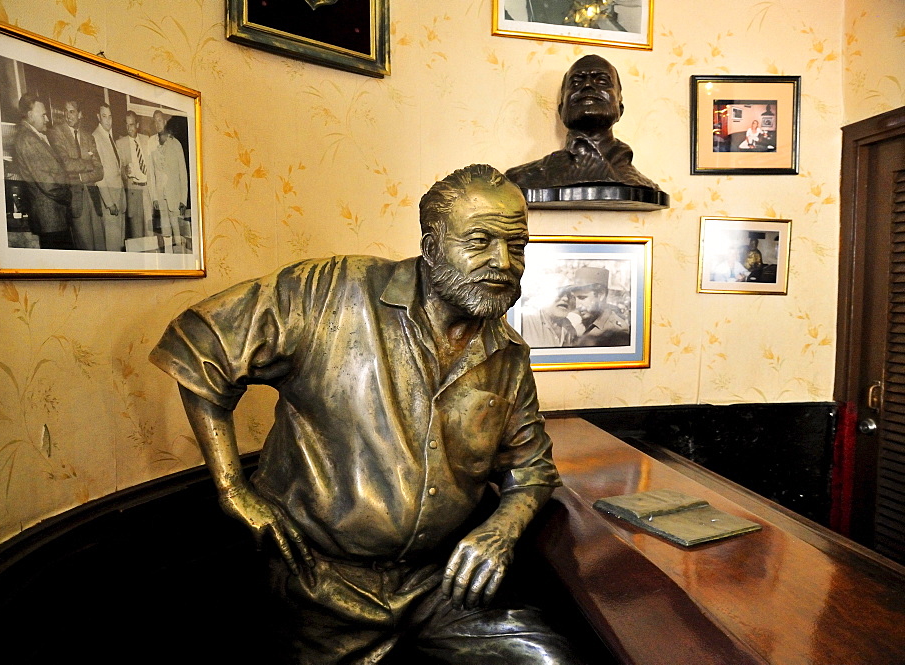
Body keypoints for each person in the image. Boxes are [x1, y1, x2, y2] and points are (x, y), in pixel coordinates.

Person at [150, 164, 577, 664]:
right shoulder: (330, 290)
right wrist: (230, 489)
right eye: (479, 241)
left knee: (553, 659)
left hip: (440, 584)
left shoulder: (507, 355)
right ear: (432, 244)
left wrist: (501, 530)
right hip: (319, 584)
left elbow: (532, 471)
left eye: (518, 246)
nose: (503, 262)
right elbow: (198, 345)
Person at [506, 55, 659, 192]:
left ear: (620, 108)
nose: (587, 86)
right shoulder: (523, 178)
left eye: (602, 81)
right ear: (561, 110)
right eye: (576, 82)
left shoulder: (641, 184)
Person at [11, 93, 72, 250]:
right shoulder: (28, 139)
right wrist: (68, 195)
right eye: (43, 115)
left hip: (53, 219)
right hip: (50, 220)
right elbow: (48, 183)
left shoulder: (34, 136)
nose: (47, 119)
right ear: (30, 115)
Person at [48, 99, 104, 251]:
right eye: (65, 111)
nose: (68, 115)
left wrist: (82, 177)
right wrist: (88, 164)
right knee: (84, 247)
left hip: (93, 197)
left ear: (80, 114)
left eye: (72, 111)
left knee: (100, 247)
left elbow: (100, 171)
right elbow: (66, 164)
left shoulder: (88, 137)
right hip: (75, 199)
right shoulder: (56, 133)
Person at [151, 110, 188, 253]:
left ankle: (180, 258)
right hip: (161, 197)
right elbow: (153, 174)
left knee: (177, 229)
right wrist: (155, 196)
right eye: (155, 121)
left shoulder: (176, 144)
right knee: (165, 229)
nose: (157, 124)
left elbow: (182, 173)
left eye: (159, 120)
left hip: (175, 197)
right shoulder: (153, 145)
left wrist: (183, 200)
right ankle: (168, 256)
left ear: (165, 122)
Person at [92, 103, 127, 252]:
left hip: (119, 196)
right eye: (104, 116)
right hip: (110, 200)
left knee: (119, 242)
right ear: (98, 117)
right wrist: (109, 202)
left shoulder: (109, 137)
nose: (108, 120)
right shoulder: (96, 137)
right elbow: (99, 175)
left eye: (110, 116)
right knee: (112, 244)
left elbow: (116, 167)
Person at [116, 110, 155, 242]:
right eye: (127, 125)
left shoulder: (146, 140)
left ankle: (151, 260)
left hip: (147, 189)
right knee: (137, 234)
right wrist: (125, 171)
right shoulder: (120, 143)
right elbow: (119, 170)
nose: (129, 128)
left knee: (150, 230)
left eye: (131, 125)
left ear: (137, 125)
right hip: (134, 191)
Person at [569, 266, 630, 348]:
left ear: (601, 294)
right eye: (575, 298)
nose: (578, 305)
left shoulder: (616, 331)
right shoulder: (580, 325)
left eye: (582, 298)